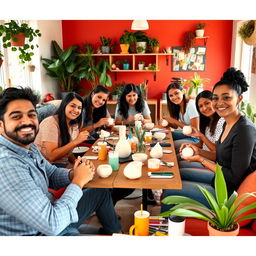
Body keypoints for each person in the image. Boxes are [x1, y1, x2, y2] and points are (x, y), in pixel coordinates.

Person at [0, 87, 121, 235]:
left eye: (31, 115)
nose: (27, 121)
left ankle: (116, 233)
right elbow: (52, 224)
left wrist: (72, 173)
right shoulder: (7, 164)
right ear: (1, 125)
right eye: (16, 116)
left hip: (53, 213)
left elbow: (50, 173)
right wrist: (77, 181)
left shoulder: (29, 147)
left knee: (99, 192)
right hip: (43, 233)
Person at [161, 67, 256, 212]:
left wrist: (200, 160)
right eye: (215, 98)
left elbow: (234, 177)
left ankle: (166, 231)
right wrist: (197, 150)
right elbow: (218, 154)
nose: (219, 103)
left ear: (239, 98)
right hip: (218, 181)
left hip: (227, 193)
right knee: (176, 175)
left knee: (169, 191)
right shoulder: (226, 122)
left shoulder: (245, 130)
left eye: (226, 97)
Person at [35, 92, 89, 168]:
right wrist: (76, 141)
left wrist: (76, 162)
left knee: (88, 168)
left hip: (63, 163)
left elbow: (68, 151)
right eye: (72, 106)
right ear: (64, 105)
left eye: (79, 108)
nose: (76, 110)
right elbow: (51, 156)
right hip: (47, 165)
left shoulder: (74, 125)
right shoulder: (51, 123)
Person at [178, 90, 225, 169]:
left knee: (180, 165)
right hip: (204, 157)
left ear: (214, 101)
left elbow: (216, 151)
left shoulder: (221, 121)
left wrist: (201, 135)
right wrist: (189, 145)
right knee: (178, 157)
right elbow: (201, 144)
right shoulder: (206, 121)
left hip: (211, 163)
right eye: (200, 106)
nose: (204, 108)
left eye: (207, 103)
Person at [162, 82, 200, 150]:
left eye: (176, 93)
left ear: (183, 92)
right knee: (164, 135)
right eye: (171, 95)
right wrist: (167, 122)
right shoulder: (177, 106)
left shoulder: (191, 105)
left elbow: (195, 131)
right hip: (186, 134)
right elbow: (175, 126)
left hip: (195, 138)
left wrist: (174, 121)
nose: (174, 97)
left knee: (170, 144)